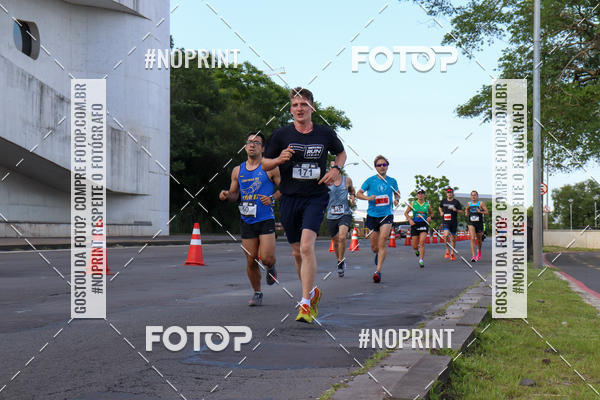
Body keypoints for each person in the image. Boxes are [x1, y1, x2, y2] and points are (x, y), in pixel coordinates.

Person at [262, 87, 346, 324]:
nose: (299, 108)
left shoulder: (324, 133)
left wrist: (335, 169)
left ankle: (305, 303)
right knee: (297, 251)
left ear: (312, 108)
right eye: (295, 105)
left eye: (304, 104)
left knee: (307, 247)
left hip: (315, 196)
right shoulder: (281, 134)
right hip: (290, 197)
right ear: (290, 109)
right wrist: (279, 159)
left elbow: (341, 154)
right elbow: (265, 164)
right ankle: (311, 292)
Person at [219, 132, 281, 306]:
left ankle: (271, 267)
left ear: (263, 148)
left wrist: (273, 198)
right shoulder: (237, 170)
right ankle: (257, 292)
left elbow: (284, 188)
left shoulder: (271, 167)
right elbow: (234, 195)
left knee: (266, 258)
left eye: (256, 142)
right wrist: (226, 195)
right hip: (247, 220)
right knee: (251, 259)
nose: (252, 145)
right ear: (245, 147)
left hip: (266, 218)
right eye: (249, 142)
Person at [355, 155, 399, 283]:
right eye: (379, 165)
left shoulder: (392, 181)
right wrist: (368, 198)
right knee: (374, 247)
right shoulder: (370, 181)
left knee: (383, 240)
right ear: (375, 167)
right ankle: (377, 253)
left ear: (387, 166)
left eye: (384, 164)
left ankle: (378, 271)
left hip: (387, 215)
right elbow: (358, 194)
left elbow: (397, 193)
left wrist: (396, 199)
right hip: (372, 215)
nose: (382, 167)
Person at [326, 161, 355, 277]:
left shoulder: (347, 180)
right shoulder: (326, 180)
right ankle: (340, 259)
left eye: (336, 166)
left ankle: (340, 262)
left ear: (339, 168)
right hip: (331, 215)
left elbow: (352, 190)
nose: (333, 168)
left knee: (342, 237)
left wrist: (352, 197)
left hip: (345, 213)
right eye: (331, 166)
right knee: (335, 241)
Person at [405, 189, 433, 268]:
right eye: (419, 194)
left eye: (422, 194)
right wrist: (410, 220)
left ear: (424, 195)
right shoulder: (413, 203)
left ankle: (421, 260)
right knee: (414, 245)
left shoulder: (427, 204)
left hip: (424, 224)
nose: (420, 195)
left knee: (422, 242)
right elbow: (406, 213)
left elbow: (432, 213)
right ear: (417, 195)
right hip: (415, 224)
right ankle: (416, 250)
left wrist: (430, 217)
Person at [438, 188, 463, 261]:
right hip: (446, 221)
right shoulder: (443, 201)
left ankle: (452, 252)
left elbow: (461, 212)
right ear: (446, 194)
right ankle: (447, 249)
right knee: (445, 235)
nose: (449, 193)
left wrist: (456, 210)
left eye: (450, 192)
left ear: (452, 193)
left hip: (453, 222)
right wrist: (441, 212)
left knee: (453, 238)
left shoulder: (456, 202)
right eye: (448, 192)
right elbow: (440, 207)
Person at [466, 190, 489, 262]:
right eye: (472, 195)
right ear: (471, 196)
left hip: (479, 223)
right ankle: (473, 256)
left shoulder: (481, 203)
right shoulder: (469, 203)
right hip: (471, 223)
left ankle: (479, 251)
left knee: (479, 240)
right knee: (472, 238)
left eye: (475, 195)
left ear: (477, 196)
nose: (473, 196)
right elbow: (466, 209)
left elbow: (487, 212)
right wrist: (466, 213)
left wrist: (480, 211)